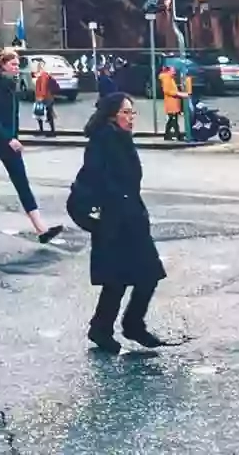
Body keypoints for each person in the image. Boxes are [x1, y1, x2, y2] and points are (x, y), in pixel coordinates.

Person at [75, 93, 168, 352]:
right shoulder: (103, 142)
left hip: (128, 219)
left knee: (136, 276)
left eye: (132, 112)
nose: (131, 118)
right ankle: (114, 327)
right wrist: (114, 207)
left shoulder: (119, 138)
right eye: (126, 112)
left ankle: (118, 325)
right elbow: (95, 178)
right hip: (116, 222)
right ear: (112, 115)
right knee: (128, 277)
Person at [0, 49, 63, 245]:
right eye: (13, 65)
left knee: (22, 184)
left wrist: (14, 137)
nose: (16, 68)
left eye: (17, 65)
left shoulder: (11, 86)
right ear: (2, 65)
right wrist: (9, 139)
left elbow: (12, 116)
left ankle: (42, 230)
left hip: (8, 143)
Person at [158, 63, 189, 140]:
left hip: (173, 103)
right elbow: (167, 91)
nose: (174, 72)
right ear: (168, 71)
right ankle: (177, 135)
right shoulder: (166, 79)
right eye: (173, 71)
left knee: (172, 120)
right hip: (171, 103)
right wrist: (179, 94)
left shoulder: (170, 78)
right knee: (173, 120)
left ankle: (167, 135)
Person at [32, 61, 59, 136]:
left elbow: (43, 87)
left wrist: (41, 97)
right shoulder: (42, 75)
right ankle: (49, 131)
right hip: (46, 97)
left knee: (44, 114)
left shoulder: (43, 75)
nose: (38, 68)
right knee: (45, 114)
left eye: (40, 66)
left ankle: (49, 131)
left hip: (45, 97)